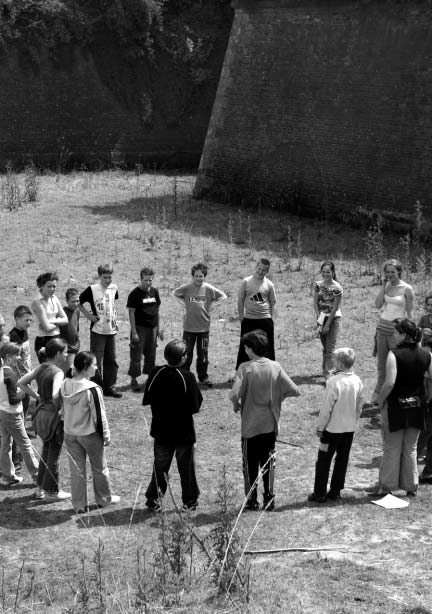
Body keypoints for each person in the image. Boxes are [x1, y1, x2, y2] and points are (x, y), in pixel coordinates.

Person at [229, 330, 300, 511]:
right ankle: (269, 498)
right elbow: (294, 390)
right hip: (269, 425)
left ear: (251, 349)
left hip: (249, 426)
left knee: (249, 465)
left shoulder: (245, 368)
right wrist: (277, 400)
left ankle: (251, 500)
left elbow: (234, 394)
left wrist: (237, 406)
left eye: (246, 347)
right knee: (268, 463)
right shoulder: (275, 367)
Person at [143, 339, 203, 512]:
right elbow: (195, 405)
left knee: (160, 466)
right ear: (183, 358)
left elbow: (147, 398)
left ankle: (153, 499)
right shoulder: (187, 377)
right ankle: (190, 501)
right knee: (186, 469)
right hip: (183, 433)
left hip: (161, 431)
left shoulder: (155, 372)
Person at [375, 319, 432, 496]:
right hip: (418, 406)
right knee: (411, 448)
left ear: (404, 335)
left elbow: (390, 382)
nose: (393, 335)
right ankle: (411, 486)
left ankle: (388, 486)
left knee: (392, 447)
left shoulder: (394, 354)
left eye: (396, 332)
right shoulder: (427, 355)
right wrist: (429, 397)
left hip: (396, 406)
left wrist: (380, 400)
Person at [61, 351, 120, 513]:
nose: (96, 367)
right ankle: (104, 499)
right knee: (99, 468)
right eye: (94, 365)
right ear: (85, 367)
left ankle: (79, 505)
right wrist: (106, 435)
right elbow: (99, 417)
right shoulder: (92, 389)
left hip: (70, 434)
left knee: (76, 471)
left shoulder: (65, 384)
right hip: (89, 435)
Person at [308, 348, 363, 503]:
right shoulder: (357, 380)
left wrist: (320, 427)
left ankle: (319, 493)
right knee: (342, 460)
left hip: (332, 430)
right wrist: (354, 421)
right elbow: (359, 406)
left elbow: (327, 408)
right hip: (348, 429)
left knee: (323, 461)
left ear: (339, 363)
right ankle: (335, 491)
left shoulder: (333, 382)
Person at [18, 338, 71, 501]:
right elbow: (56, 394)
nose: (67, 354)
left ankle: (40, 489)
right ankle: (52, 492)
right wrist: (60, 408)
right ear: (57, 354)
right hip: (53, 418)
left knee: (46, 452)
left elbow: (21, 383)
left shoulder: (40, 367)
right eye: (65, 352)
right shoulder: (58, 372)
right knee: (53, 454)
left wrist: (37, 396)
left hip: (40, 415)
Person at [173, 263, 226, 387]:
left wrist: (212, 307)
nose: (198, 278)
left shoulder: (209, 288)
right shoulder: (187, 288)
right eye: (196, 276)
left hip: (204, 328)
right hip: (189, 328)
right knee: (186, 353)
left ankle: (203, 377)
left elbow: (223, 296)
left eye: (201, 276)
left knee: (203, 355)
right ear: (193, 276)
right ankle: (184, 376)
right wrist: (183, 305)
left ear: (204, 276)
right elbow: (174, 293)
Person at [372, 259, 414, 405]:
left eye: (392, 272)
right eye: (387, 271)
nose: (389, 274)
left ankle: (395, 394)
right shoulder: (386, 286)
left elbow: (410, 313)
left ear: (399, 272)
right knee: (381, 364)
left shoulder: (407, 288)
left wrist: (408, 334)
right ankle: (378, 394)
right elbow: (377, 305)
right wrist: (383, 286)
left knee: (397, 364)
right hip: (382, 328)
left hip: (397, 331)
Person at [79, 264, 122, 398]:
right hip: (97, 330)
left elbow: (112, 305)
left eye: (110, 277)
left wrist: (116, 320)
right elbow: (78, 302)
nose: (108, 280)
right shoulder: (92, 289)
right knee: (96, 360)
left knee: (112, 359)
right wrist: (88, 316)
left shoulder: (114, 288)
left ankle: (110, 387)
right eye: (105, 277)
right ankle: (97, 387)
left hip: (111, 330)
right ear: (99, 276)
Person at [0, 343, 39, 487]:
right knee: (25, 445)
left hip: (2, 413)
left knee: (6, 445)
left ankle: (7, 476)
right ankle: (37, 476)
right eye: (16, 355)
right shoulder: (10, 374)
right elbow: (13, 399)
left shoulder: (2, 372)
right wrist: (23, 394)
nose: (19, 358)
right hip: (12, 414)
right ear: (8, 357)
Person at [235, 258, 277, 370]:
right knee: (245, 346)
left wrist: (272, 320)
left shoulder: (269, 284)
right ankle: (240, 371)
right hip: (249, 319)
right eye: (259, 268)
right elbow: (240, 301)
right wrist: (241, 318)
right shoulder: (246, 281)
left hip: (265, 320)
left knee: (267, 346)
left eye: (263, 270)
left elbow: (273, 303)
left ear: (267, 272)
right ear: (256, 267)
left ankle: (269, 370)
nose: (260, 271)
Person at [127, 267, 161, 392]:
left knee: (151, 354)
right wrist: (134, 332)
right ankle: (134, 379)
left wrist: (158, 329)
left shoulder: (155, 292)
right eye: (146, 280)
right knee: (136, 354)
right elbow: (131, 314)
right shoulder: (134, 294)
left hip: (152, 328)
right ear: (141, 279)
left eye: (150, 280)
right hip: (139, 329)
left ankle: (149, 378)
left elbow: (157, 311)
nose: (148, 283)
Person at [314, 261, 343, 378]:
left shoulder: (337, 287)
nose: (326, 274)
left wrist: (327, 324)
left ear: (333, 272)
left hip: (333, 319)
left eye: (328, 272)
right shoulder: (318, 285)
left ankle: (328, 375)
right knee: (325, 347)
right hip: (322, 318)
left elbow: (335, 308)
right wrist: (319, 318)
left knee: (330, 349)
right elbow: (315, 302)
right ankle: (325, 369)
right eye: (324, 272)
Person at [31, 272, 68, 363]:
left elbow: (66, 320)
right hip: (44, 340)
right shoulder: (37, 302)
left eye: (54, 286)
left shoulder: (55, 298)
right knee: (48, 372)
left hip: (57, 339)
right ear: (42, 286)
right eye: (49, 286)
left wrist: (51, 321)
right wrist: (59, 322)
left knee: (57, 370)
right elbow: (46, 328)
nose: (52, 289)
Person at [9, 305, 33, 417]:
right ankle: (18, 428)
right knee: (20, 403)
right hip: (19, 376)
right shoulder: (13, 336)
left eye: (30, 320)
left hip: (26, 373)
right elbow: (13, 360)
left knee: (26, 401)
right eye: (26, 320)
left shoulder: (24, 331)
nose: (29, 323)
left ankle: (22, 427)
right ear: (17, 319)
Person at [59, 288, 81, 375]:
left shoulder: (77, 311)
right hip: (67, 350)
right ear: (67, 301)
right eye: (73, 301)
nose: (76, 304)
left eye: (77, 301)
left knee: (74, 374)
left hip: (76, 348)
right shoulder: (62, 313)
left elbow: (76, 328)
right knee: (67, 375)